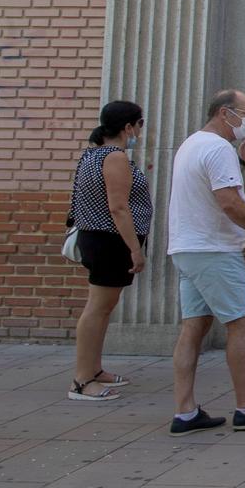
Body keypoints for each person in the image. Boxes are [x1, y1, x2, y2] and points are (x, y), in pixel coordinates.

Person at [167, 88, 245, 436]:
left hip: (188, 248)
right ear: (224, 113)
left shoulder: (194, 143)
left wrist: (243, 161)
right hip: (214, 249)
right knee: (242, 322)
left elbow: (209, 189)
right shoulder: (218, 148)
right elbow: (229, 202)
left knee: (195, 326)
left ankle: (185, 411)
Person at [66, 100, 150, 400]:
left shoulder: (93, 154)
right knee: (97, 309)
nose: (141, 130)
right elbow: (118, 207)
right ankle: (81, 380)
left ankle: (94, 369)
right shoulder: (115, 157)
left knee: (102, 308)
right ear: (127, 127)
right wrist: (134, 249)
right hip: (109, 241)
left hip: (100, 238)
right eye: (140, 124)